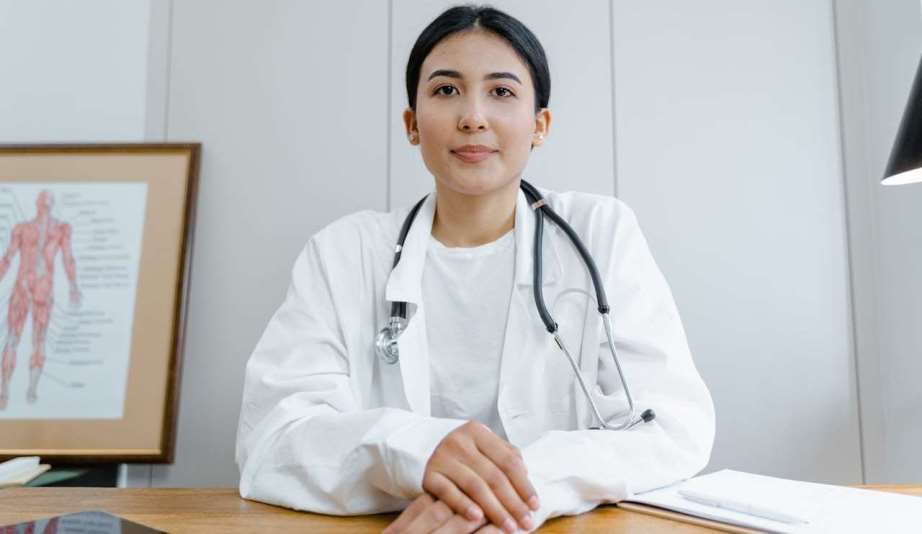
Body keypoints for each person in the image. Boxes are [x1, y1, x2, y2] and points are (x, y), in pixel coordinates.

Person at [236, 5, 714, 533]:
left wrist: (506, 489)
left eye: (502, 92)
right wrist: (414, 453)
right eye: (446, 90)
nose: (473, 116)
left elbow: (672, 427)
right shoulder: (344, 253)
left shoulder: (599, 233)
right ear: (412, 124)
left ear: (540, 125)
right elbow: (271, 440)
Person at [0, 190, 81, 410]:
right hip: (24, 289)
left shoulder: (60, 230)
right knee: (14, 338)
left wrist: (74, 285)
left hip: (41, 291)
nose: (45, 204)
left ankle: (29, 388)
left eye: (48, 201)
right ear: (37, 203)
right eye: (43, 200)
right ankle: (6, 387)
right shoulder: (23, 229)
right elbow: (7, 258)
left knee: (36, 340)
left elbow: (68, 258)